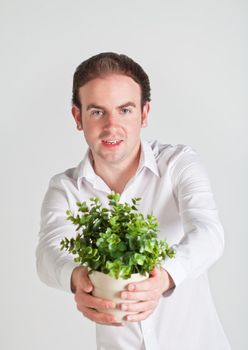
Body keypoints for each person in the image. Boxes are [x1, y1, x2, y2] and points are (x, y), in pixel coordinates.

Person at [36, 52, 230, 349]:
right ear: (78, 117)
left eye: (124, 110)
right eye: (98, 112)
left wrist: (165, 277)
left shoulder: (178, 164)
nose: (112, 127)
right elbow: (48, 254)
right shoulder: (65, 188)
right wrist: (76, 279)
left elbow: (209, 232)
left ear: (144, 113)